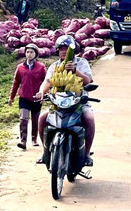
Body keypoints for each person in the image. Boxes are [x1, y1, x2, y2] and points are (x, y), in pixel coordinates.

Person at [35, 35, 95, 166]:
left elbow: (88, 81)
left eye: (66, 48)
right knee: (42, 119)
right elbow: (47, 81)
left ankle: (86, 154)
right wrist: (41, 92)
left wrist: (75, 71)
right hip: (58, 104)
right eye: (61, 48)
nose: (63, 51)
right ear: (57, 50)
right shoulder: (54, 66)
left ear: (72, 50)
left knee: (89, 118)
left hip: (79, 102)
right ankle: (45, 151)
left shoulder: (82, 62)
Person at [8, 43, 46, 149]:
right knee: (23, 119)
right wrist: (11, 97)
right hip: (24, 97)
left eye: (32, 52)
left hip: (36, 98)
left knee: (35, 119)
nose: (29, 54)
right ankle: (23, 141)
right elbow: (16, 83)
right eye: (27, 52)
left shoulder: (41, 67)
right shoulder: (20, 67)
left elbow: (46, 82)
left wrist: (44, 95)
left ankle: (34, 139)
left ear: (36, 54)